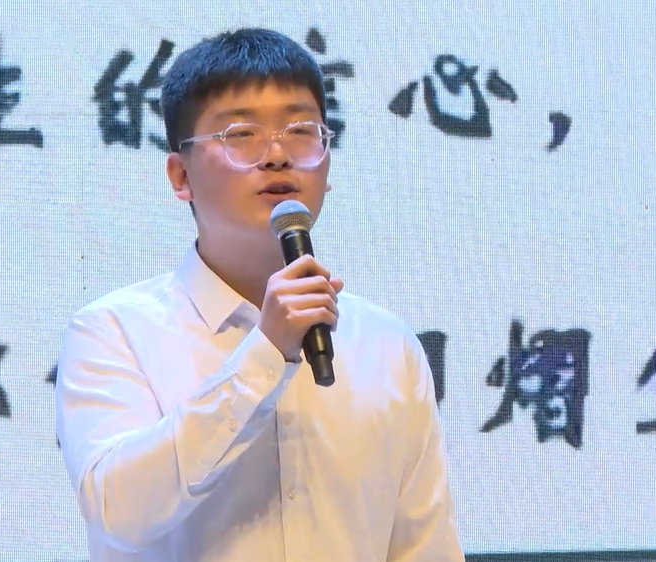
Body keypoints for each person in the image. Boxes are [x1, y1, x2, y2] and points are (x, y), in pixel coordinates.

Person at [55, 27, 464, 561]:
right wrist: (267, 352)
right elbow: (118, 512)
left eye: (301, 131)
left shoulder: (387, 345)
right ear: (180, 175)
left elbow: (423, 547)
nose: (276, 154)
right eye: (241, 134)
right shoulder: (112, 332)